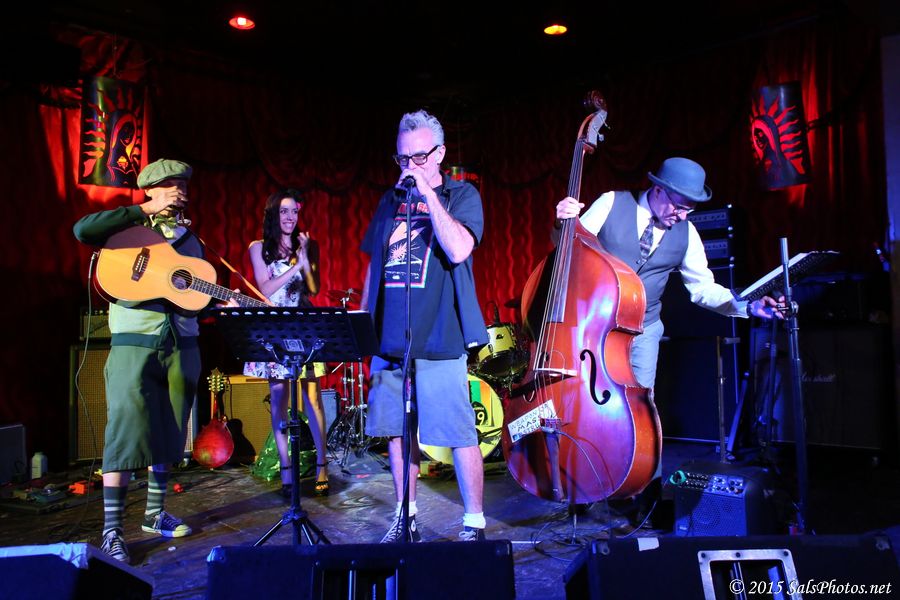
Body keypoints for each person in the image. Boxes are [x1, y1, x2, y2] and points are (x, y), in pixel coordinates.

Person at [554, 157, 783, 522]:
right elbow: (570, 251)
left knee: (641, 409)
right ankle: (582, 485)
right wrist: (564, 223)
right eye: (679, 206)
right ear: (658, 190)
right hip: (590, 324)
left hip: (642, 328)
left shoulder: (686, 233)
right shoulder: (612, 202)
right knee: (584, 405)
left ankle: (645, 495)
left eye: (690, 209)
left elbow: (703, 289)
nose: (682, 215)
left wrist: (749, 306)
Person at [361, 109, 489, 542]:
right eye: (402, 159)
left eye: (418, 157)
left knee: (457, 430)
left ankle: (474, 522)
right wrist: (364, 327)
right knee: (396, 431)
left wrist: (427, 195)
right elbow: (374, 266)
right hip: (390, 338)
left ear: (439, 154)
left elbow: (458, 249)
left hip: (440, 333)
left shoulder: (462, 195)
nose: (409, 167)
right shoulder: (388, 200)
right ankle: (406, 514)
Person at [73, 158, 202, 563]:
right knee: (125, 431)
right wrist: (144, 209)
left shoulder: (192, 241)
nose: (179, 192)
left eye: (183, 185)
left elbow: (192, 297)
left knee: (171, 429)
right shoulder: (129, 230)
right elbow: (83, 230)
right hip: (135, 342)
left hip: (183, 345)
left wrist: (222, 302)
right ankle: (112, 530)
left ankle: (154, 513)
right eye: (170, 185)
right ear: (150, 189)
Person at [242, 189, 329, 498]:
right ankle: (286, 468)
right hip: (274, 328)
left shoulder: (306, 246)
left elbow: (314, 289)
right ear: (273, 215)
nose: (290, 217)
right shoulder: (258, 248)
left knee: (313, 398)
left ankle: (322, 466)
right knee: (278, 399)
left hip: (303, 326)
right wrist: (296, 265)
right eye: (284, 211)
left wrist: (305, 259)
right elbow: (265, 289)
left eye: (294, 211)